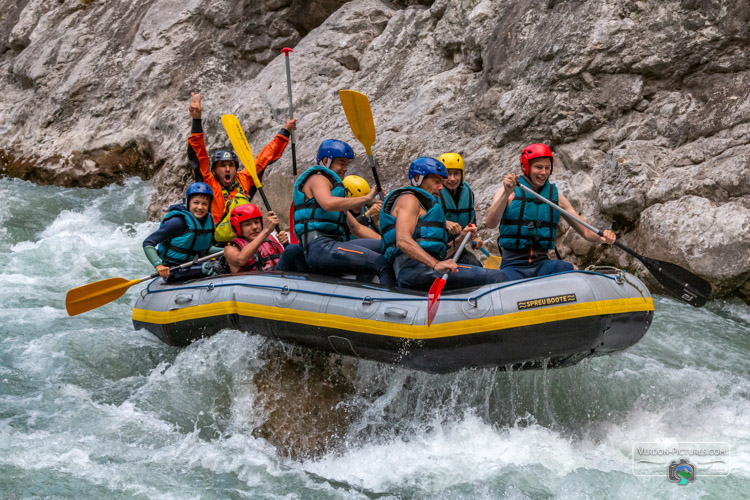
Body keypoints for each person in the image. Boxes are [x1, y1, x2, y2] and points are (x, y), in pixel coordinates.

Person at [485, 143, 616, 281]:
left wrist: (602, 236)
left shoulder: (556, 197)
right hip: (513, 265)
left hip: (542, 264)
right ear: (525, 167)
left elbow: (585, 231)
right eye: (539, 167)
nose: (544, 172)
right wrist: (506, 193)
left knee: (566, 268)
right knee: (502, 280)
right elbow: (490, 223)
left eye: (547, 168)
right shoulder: (508, 192)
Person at [379, 157, 509, 291]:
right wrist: (435, 264)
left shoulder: (426, 208)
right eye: (436, 182)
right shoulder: (409, 200)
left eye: (442, 182)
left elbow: (440, 254)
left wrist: (461, 239)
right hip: (413, 272)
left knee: (476, 267)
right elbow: (403, 241)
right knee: (499, 277)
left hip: (425, 269)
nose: (441, 187)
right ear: (418, 178)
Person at [287, 139, 393, 285]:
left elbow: (356, 227)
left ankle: (360, 296)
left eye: (347, 164)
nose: (345, 168)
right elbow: (327, 203)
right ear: (326, 160)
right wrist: (367, 198)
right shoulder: (317, 178)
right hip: (320, 248)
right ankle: (386, 303)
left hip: (332, 245)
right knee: (380, 263)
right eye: (341, 163)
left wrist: (390, 240)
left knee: (387, 249)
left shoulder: (335, 195)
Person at [187, 92, 297, 224]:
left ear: (236, 168)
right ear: (214, 170)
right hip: (215, 238)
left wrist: (285, 131)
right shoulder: (208, 182)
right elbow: (199, 155)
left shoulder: (244, 179)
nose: (227, 169)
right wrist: (196, 120)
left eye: (231, 165)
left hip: (241, 236)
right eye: (222, 165)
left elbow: (265, 157)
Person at [142, 182, 224, 282]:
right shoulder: (177, 222)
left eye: (204, 204)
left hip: (193, 264)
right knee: (213, 267)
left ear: (209, 206)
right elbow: (148, 243)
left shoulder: (207, 221)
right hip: (173, 270)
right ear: (188, 202)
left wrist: (226, 250)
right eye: (196, 202)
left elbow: (207, 248)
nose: (200, 207)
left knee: (223, 263)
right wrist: (158, 265)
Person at [437, 152, 482, 267]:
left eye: (456, 174)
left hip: (457, 247)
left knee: (476, 265)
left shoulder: (467, 192)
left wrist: (474, 237)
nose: (452, 179)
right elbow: (422, 219)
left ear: (462, 174)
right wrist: (445, 222)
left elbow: (471, 221)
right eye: (448, 174)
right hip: (436, 250)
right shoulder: (434, 193)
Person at [223, 204, 288, 273]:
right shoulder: (230, 249)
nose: (254, 227)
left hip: (281, 278)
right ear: (237, 228)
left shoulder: (270, 238)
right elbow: (241, 260)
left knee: (292, 249)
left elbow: (286, 261)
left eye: (257, 222)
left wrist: (286, 244)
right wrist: (266, 230)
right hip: (255, 282)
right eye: (247, 224)